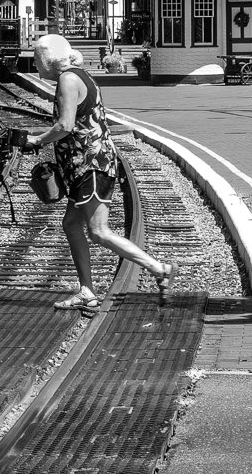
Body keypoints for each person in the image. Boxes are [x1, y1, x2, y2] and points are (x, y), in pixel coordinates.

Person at [20, 33, 173, 310]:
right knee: (70, 224)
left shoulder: (67, 80)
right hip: (83, 165)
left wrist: (37, 140)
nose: (34, 63)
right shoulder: (77, 74)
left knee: (99, 231)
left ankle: (158, 268)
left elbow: (65, 125)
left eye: (35, 58)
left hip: (92, 165)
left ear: (47, 59)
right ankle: (87, 291)